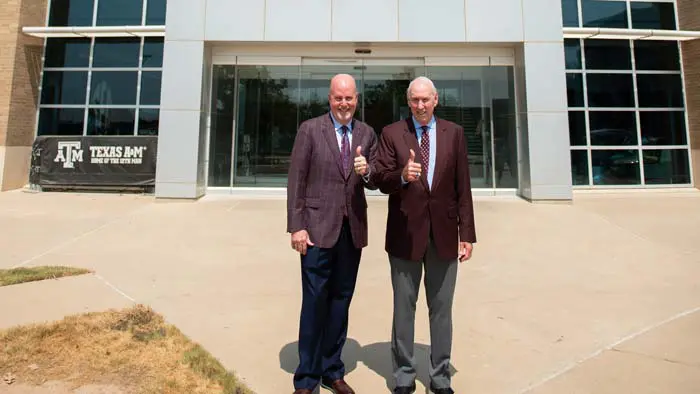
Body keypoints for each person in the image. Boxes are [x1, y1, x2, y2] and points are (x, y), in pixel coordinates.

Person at [372, 76, 477, 394]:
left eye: (425, 100)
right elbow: (379, 177)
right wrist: (401, 176)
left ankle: (440, 375)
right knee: (404, 307)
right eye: (414, 100)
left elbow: (463, 186)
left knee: (442, 308)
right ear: (408, 101)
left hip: (445, 234)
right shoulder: (392, 133)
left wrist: (467, 234)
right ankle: (404, 374)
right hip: (405, 233)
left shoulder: (454, 133)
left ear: (436, 100)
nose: (420, 105)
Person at [287, 74, 378, 394]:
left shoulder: (367, 133)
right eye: (338, 98)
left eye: (349, 98)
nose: (344, 103)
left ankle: (332, 369)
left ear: (356, 99)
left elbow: (375, 177)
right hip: (315, 231)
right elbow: (296, 180)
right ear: (329, 98)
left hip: (351, 231)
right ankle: (307, 376)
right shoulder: (310, 130)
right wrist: (296, 226)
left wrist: (368, 172)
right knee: (314, 302)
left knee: (341, 301)